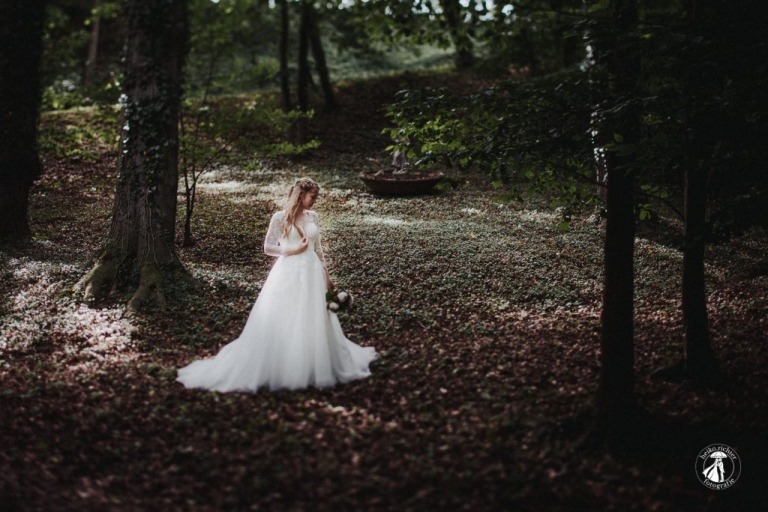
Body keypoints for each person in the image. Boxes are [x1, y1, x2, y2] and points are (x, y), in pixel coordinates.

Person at [177, 177, 376, 392]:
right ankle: (287, 364)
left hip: (312, 272)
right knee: (287, 314)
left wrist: (327, 276)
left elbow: (318, 249)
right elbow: (268, 247)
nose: (315, 200)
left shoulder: (313, 217)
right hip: (288, 271)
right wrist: (292, 250)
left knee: (313, 316)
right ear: (301, 195)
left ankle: (314, 362)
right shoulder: (280, 217)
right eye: (312, 196)